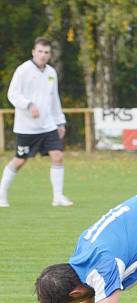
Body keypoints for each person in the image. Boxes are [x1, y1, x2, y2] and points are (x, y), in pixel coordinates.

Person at [1, 37, 73, 208]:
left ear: (50, 55)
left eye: (46, 52)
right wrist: (29, 105)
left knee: (58, 156)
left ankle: (58, 197)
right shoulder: (23, 70)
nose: (43, 55)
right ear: (34, 52)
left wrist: (60, 122)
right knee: (20, 160)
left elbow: (54, 99)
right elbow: (12, 94)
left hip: (47, 125)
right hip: (27, 128)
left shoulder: (51, 73)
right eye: (40, 51)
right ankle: (1, 194)